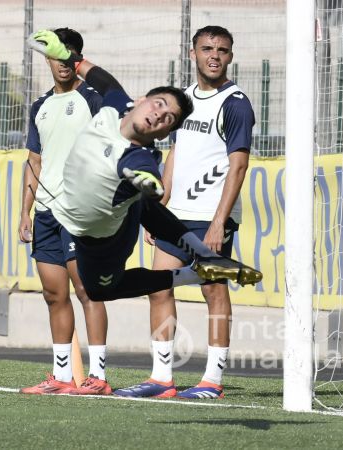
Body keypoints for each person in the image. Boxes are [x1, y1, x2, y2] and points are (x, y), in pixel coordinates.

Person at [24, 29, 262, 396]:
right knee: (154, 273)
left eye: (167, 118)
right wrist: (68, 56)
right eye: (158, 106)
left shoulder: (145, 152)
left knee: (117, 288)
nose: (159, 115)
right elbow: (103, 79)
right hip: (149, 211)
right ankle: (163, 374)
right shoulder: (120, 104)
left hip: (115, 233)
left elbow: (147, 166)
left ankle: (211, 380)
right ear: (141, 100)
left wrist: (149, 182)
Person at [115, 26, 255, 400]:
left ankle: (212, 380)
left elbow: (238, 166)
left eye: (222, 50)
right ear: (192, 53)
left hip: (211, 216)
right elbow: (177, 152)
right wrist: (160, 205)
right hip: (174, 214)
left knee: (214, 290)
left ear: (230, 56)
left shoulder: (236, 102)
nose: (215, 55)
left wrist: (219, 222)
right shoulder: (185, 101)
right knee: (158, 287)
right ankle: (162, 378)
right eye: (207, 48)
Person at [18, 27, 112, 396]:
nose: (64, 63)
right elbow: (34, 160)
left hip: (82, 212)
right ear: (47, 59)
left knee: (87, 291)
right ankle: (61, 377)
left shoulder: (94, 97)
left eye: (71, 56)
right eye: (57, 55)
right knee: (54, 295)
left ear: (79, 60)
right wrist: (25, 212)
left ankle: (99, 377)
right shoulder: (40, 106)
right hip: (45, 214)